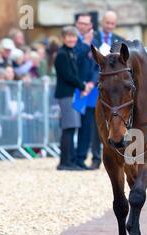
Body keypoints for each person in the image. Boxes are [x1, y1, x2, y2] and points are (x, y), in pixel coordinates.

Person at [54, 26, 91, 171]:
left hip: (71, 93)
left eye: (73, 36)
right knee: (68, 128)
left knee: (71, 128)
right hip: (66, 94)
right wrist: (82, 86)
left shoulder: (69, 52)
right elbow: (68, 76)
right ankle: (65, 162)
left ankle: (69, 160)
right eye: (68, 36)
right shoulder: (62, 54)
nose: (71, 39)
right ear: (63, 38)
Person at [74, 12, 102, 170]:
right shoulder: (73, 39)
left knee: (88, 125)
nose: (83, 26)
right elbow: (73, 60)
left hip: (91, 90)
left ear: (91, 25)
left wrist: (92, 82)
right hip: (75, 87)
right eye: (80, 23)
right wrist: (84, 43)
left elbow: (98, 65)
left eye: (86, 23)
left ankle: (83, 157)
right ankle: (73, 158)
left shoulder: (95, 41)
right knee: (72, 124)